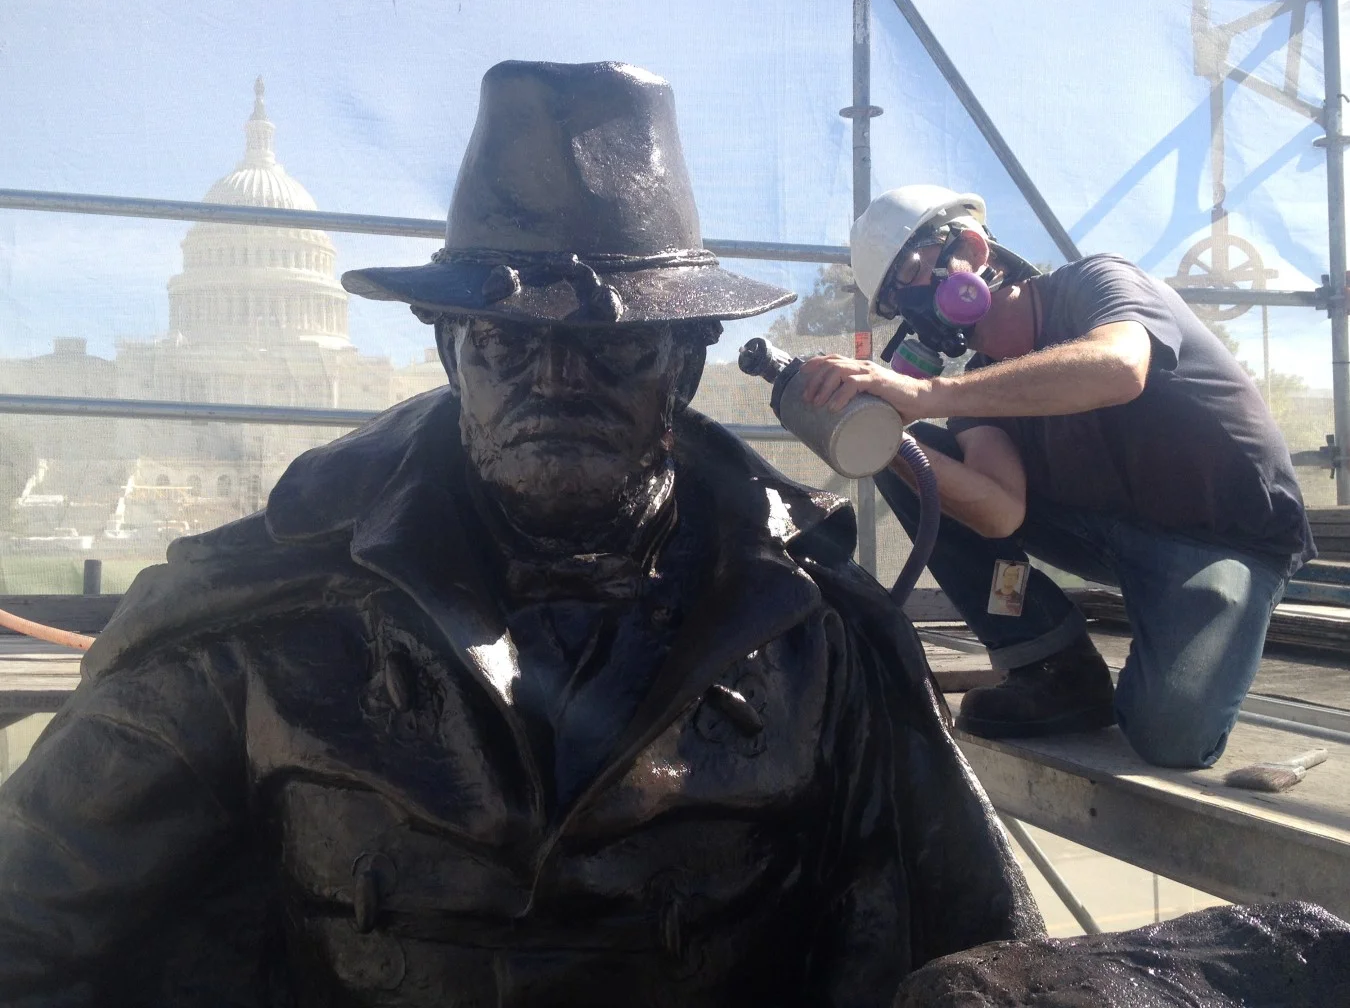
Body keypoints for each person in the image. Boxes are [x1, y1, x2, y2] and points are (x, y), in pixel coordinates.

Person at [0, 65, 1041, 1005]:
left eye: (610, 346)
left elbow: (950, 946)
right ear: (453, 352)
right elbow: (33, 917)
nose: (555, 381)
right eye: (509, 340)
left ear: (682, 367)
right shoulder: (258, 616)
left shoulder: (818, 641)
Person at [798, 184, 1313, 770]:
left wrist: (925, 391)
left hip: (1224, 539)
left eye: (914, 275)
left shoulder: (1098, 284)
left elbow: (1120, 368)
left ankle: (1207, 621)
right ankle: (1051, 665)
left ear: (971, 247)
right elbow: (999, 512)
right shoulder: (979, 388)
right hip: (1107, 533)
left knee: (1170, 736)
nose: (916, 308)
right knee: (919, 467)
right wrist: (883, 440)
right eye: (898, 301)